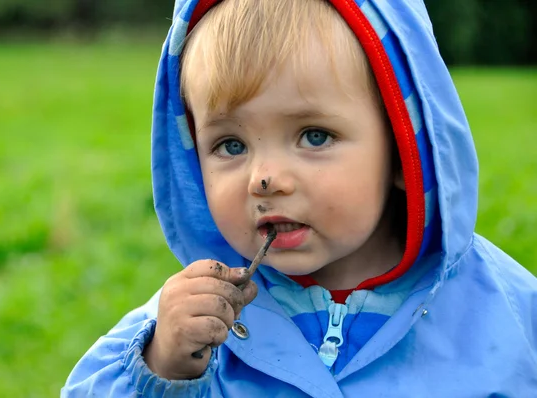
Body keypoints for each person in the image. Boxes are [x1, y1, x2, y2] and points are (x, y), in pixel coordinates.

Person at [62, 0, 537, 396]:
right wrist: (164, 368)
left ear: (402, 150)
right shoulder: (194, 323)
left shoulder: (509, 315)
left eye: (314, 136)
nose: (265, 179)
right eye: (231, 145)